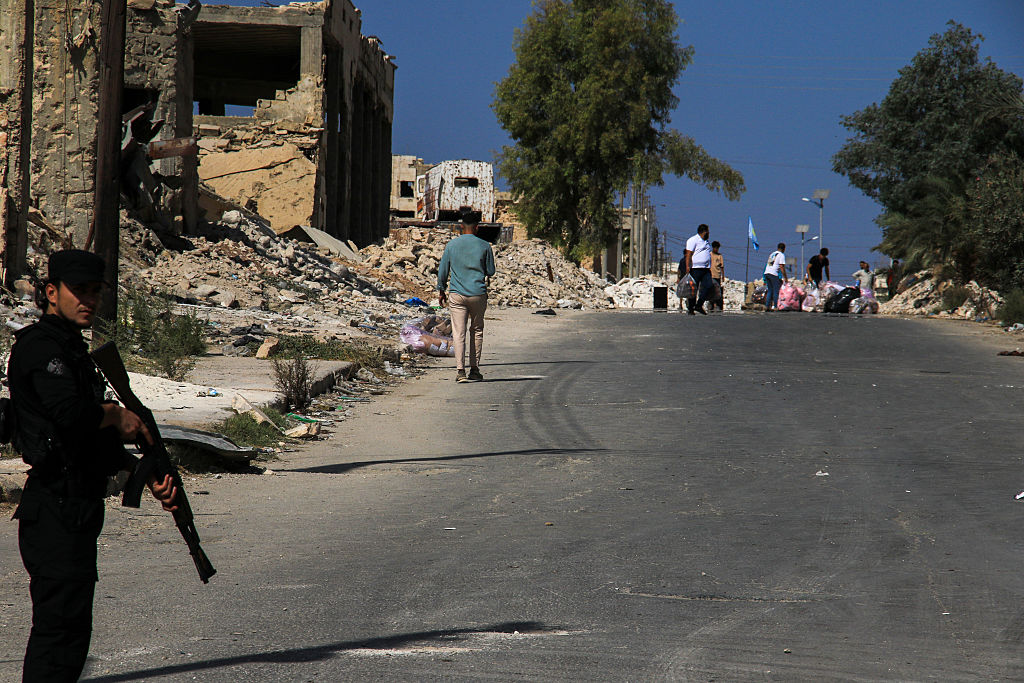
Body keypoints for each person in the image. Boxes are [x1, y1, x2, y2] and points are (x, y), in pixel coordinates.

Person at [8, 249, 178, 682]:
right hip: (54, 505)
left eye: (94, 292)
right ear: (51, 292)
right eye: (78, 290)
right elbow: (69, 416)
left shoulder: (73, 350)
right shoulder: (40, 347)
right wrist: (114, 415)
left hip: (77, 506)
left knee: (71, 633)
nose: (88, 300)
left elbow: (86, 441)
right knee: (57, 634)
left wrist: (139, 472)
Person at [437, 211, 496, 383]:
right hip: (478, 294)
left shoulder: (452, 245)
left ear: (461, 226)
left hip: (457, 294)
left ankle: (460, 371)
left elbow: (443, 271)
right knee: (476, 331)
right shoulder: (485, 246)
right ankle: (475, 370)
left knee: (458, 332)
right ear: (477, 227)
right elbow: (491, 271)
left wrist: (441, 290)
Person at [680, 224, 713, 315]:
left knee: (708, 286)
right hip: (695, 268)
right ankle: (691, 308)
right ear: (704, 232)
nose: (709, 233)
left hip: (706, 269)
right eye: (708, 232)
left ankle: (699, 305)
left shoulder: (706, 242)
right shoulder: (693, 240)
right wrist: (687, 266)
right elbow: (689, 254)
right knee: (693, 289)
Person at [763, 243, 788, 311]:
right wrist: (785, 277)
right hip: (773, 274)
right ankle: (775, 306)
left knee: (770, 290)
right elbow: (781, 267)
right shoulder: (781, 255)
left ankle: (767, 306)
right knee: (776, 291)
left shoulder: (772, 254)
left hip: (767, 273)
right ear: (784, 249)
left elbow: (770, 264)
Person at [709, 241, 725, 312]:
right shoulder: (709, 255)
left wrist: (723, 276)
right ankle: (712, 304)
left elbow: (722, 266)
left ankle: (717, 304)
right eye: (715, 248)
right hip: (711, 275)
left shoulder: (720, 256)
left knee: (717, 291)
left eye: (717, 248)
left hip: (717, 276)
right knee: (711, 290)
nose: (716, 249)